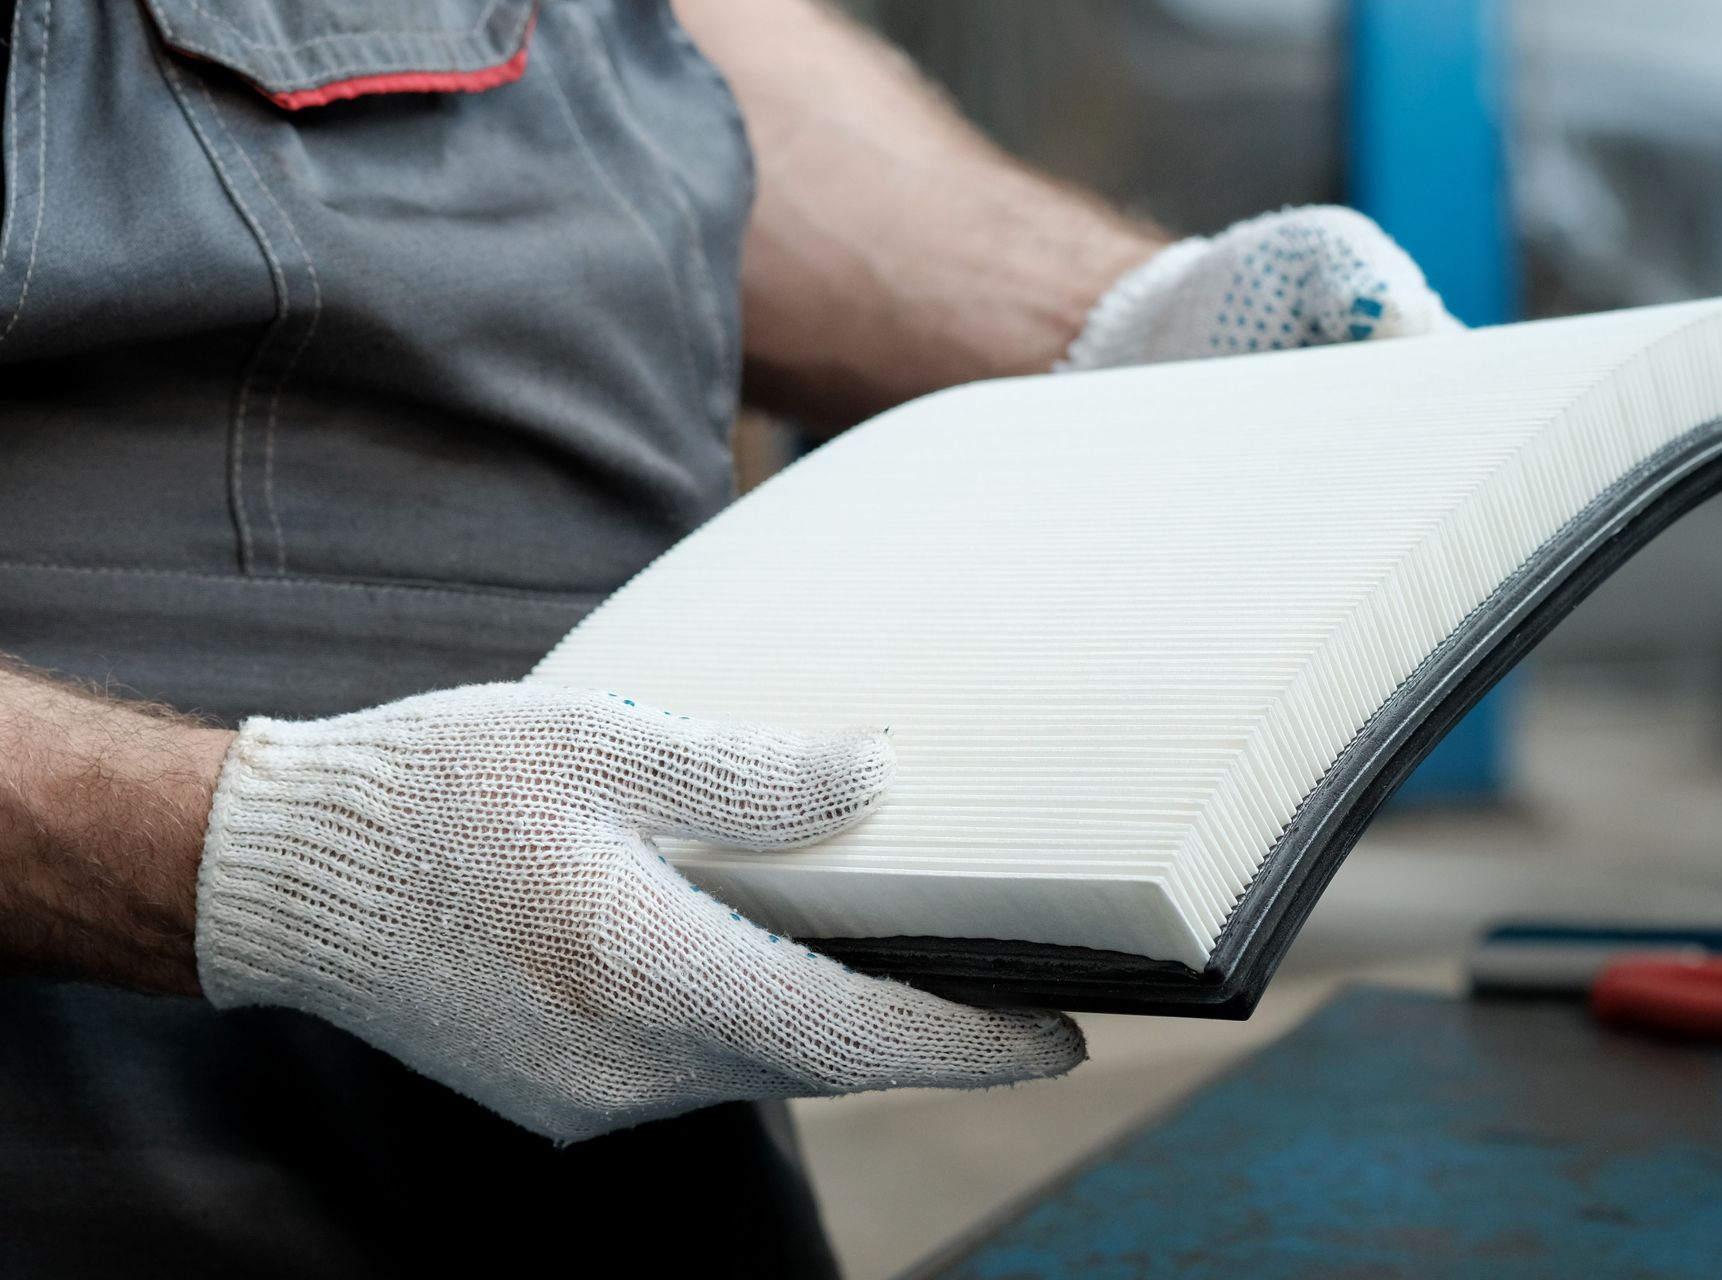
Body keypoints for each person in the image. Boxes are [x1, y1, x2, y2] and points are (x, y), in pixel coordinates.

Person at [0, 0, 1454, 1273]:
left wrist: (1112, 324)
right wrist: (256, 860)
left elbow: (628, 54)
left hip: (637, 1114)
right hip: (92, 1139)